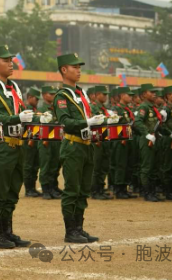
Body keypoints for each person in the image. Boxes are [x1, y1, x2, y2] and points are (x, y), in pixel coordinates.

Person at [0, 46, 47, 249]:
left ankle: (7, 231)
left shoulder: (14, 87)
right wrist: (16, 118)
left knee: (13, 191)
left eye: (11, 60)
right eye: (6, 60)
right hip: (0, 145)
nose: (11, 63)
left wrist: (33, 117)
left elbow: (19, 111)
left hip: (18, 146)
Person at [53, 53, 104, 244]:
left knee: (83, 190)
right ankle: (70, 230)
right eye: (75, 67)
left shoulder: (80, 94)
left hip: (87, 146)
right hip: (73, 145)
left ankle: (79, 227)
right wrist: (86, 122)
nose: (79, 70)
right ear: (64, 70)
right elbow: (65, 121)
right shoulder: (62, 95)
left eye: (79, 67)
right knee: (72, 189)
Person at [134, 83, 165, 202]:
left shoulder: (153, 107)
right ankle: (147, 193)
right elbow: (138, 122)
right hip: (147, 140)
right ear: (143, 94)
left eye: (154, 92)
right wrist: (146, 134)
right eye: (151, 92)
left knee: (154, 167)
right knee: (147, 167)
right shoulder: (144, 107)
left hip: (155, 139)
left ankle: (153, 192)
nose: (154, 94)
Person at [111, 87, 138, 199]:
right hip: (120, 140)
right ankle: (118, 189)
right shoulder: (117, 109)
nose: (131, 97)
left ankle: (124, 188)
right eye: (128, 95)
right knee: (120, 164)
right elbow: (113, 124)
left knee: (128, 165)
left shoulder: (127, 110)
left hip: (129, 140)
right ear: (122, 96)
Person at [37, 85, 62, 200]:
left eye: (54, 94)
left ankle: (53, 187)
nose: (53, 96)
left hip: (56, 140)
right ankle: (45, 188)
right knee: (46, 165)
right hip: (45, 141)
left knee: (55, 164)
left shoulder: (56, 108)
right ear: (43, 95)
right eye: (50, 94)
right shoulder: (41, 109)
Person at [91, 86, 115, 200]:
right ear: (96, 95)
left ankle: (100, 188)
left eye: (106, 94)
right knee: (96, 166)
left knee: (104, 166)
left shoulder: (104, 109)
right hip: (97, 141)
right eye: (103, 94)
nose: (105, 96)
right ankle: (95, 191)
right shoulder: (93, 107)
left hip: (105, 140)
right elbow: (94, 123)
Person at [23, 88, 42, 197]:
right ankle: (28, 189)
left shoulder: (35, 110)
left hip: (36, 140)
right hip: (28, 141)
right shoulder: (26, 109)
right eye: (36, 98)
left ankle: (33, 188)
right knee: (28, 165)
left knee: (35, 165)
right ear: (29, 97)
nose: (37, 101)